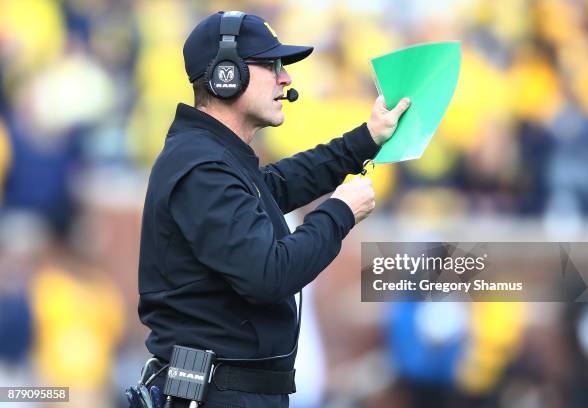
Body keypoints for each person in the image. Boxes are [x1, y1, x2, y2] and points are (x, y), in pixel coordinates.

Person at [137, 10, 410, 408]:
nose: (286, 78)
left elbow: (277, 185)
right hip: (218, 394)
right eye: (271, 65)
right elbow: (269, 274)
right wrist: (339, 212)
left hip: (227, 391)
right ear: (226, 76)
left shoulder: (211, 157)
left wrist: (366, 140)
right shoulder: (202, 167)